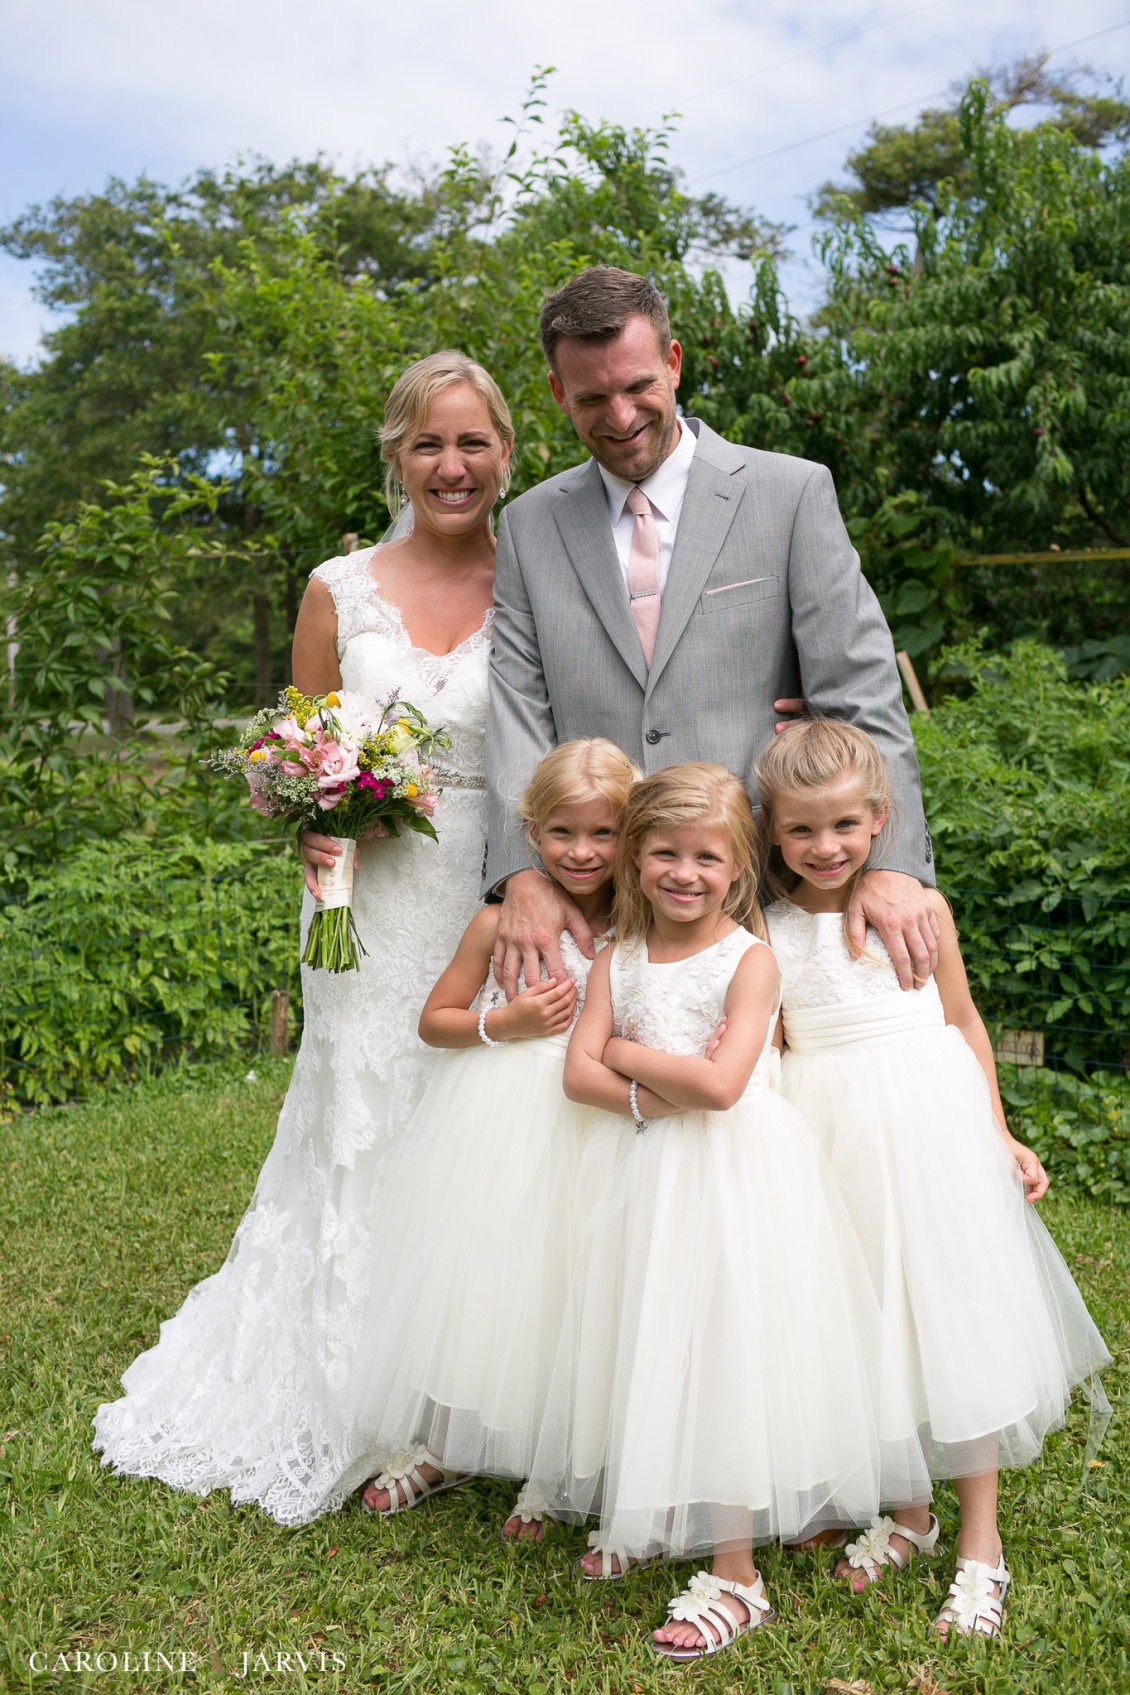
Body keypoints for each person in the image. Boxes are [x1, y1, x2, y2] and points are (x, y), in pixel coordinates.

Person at [93, 353, 512, 1524]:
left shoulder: (538, 575)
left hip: (492, 885)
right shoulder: (338, 588)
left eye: (472, 442)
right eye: (428, 443)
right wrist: (308, 825)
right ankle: (366, 1394)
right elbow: (300, 751)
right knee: (367, 1114)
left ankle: (478, 1388)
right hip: (365, 903)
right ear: (395, 454)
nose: (451, 465)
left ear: (506, 454)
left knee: (481, 1118)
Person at [525, 764, 929, 1662]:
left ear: (740, 865)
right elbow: (574, 1075)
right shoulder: (616, 956)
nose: (685, 872)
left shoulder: (750, 959)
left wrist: (627, 1050)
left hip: (733, 1178)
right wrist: (644, 1093)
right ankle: (656, 1505)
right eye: (664, 852)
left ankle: (738, 1572)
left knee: (726, 1352)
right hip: (640, 1171)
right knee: (648, 1331)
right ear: (633, 858)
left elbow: (719, 1082)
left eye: (708, 855)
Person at [485, 265, 940, 1005]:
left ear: (674, 362)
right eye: (593, 397)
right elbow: (518, 711)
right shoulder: (531, 524)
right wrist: (522, 873)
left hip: (772, 888)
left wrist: (891, 865)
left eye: (638, 386)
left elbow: (860, 692)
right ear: (557, 393)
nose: (621, 415)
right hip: (596, 903)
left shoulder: (790, 494)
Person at [757, 719, 1111, 1639]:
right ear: (772, 831)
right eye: (800, 830)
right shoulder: (767, 925)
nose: (824, 847)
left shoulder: (922, 909)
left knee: (954, 1319)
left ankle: (980, 1546)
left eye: (843, 825)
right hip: (826, 1128)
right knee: (869, 1315)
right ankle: (908, 1509)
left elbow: (963, 1021)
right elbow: (778, 1040)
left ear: (880, 818)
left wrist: (999, 1131)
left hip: (932, 1127)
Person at [343, 740, 637, 1534]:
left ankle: (549, 1466)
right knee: (486, 1277)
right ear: (530, 830)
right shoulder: (498, 918)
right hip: (500, 1115)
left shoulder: (644, 925)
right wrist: (500, 1023)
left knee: (570, 1285)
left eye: (604, 834)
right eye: (562, 834)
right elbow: (434, 1021)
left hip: (597, 1123)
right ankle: (447, 1441)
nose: (582, 852)